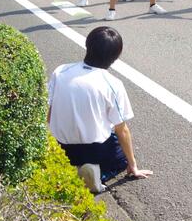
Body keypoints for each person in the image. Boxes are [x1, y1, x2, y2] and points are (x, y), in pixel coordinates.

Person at [48, 26, 153, 194]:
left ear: (87, 44)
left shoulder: (61, 71)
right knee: (120, 157)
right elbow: (122, 129)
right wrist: (132, 165)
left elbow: (50, 111)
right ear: (116, 56)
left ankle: (70, 168)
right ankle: (98, 174)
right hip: (94, 149)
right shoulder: (113, 84)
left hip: (61, 145)